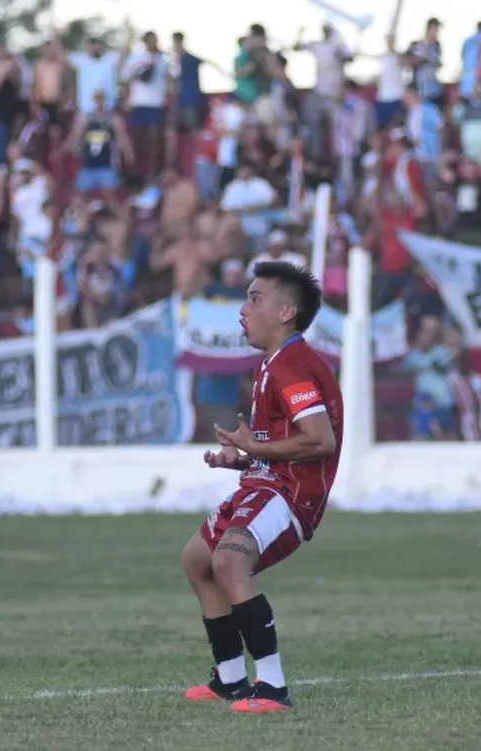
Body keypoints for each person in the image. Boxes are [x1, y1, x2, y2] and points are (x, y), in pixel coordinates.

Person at [181, 261, 344, 713]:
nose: (243, 309)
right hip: (265, 483)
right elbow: (284, 442)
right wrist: (244, 456)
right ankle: (231, 678)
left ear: (287, 311)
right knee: (198, 558)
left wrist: (257, 449)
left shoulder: (293, 367)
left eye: (255, 299)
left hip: (291, 495)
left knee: (229, 562)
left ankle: (272, 687)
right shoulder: (273, 365)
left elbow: (320, 439)